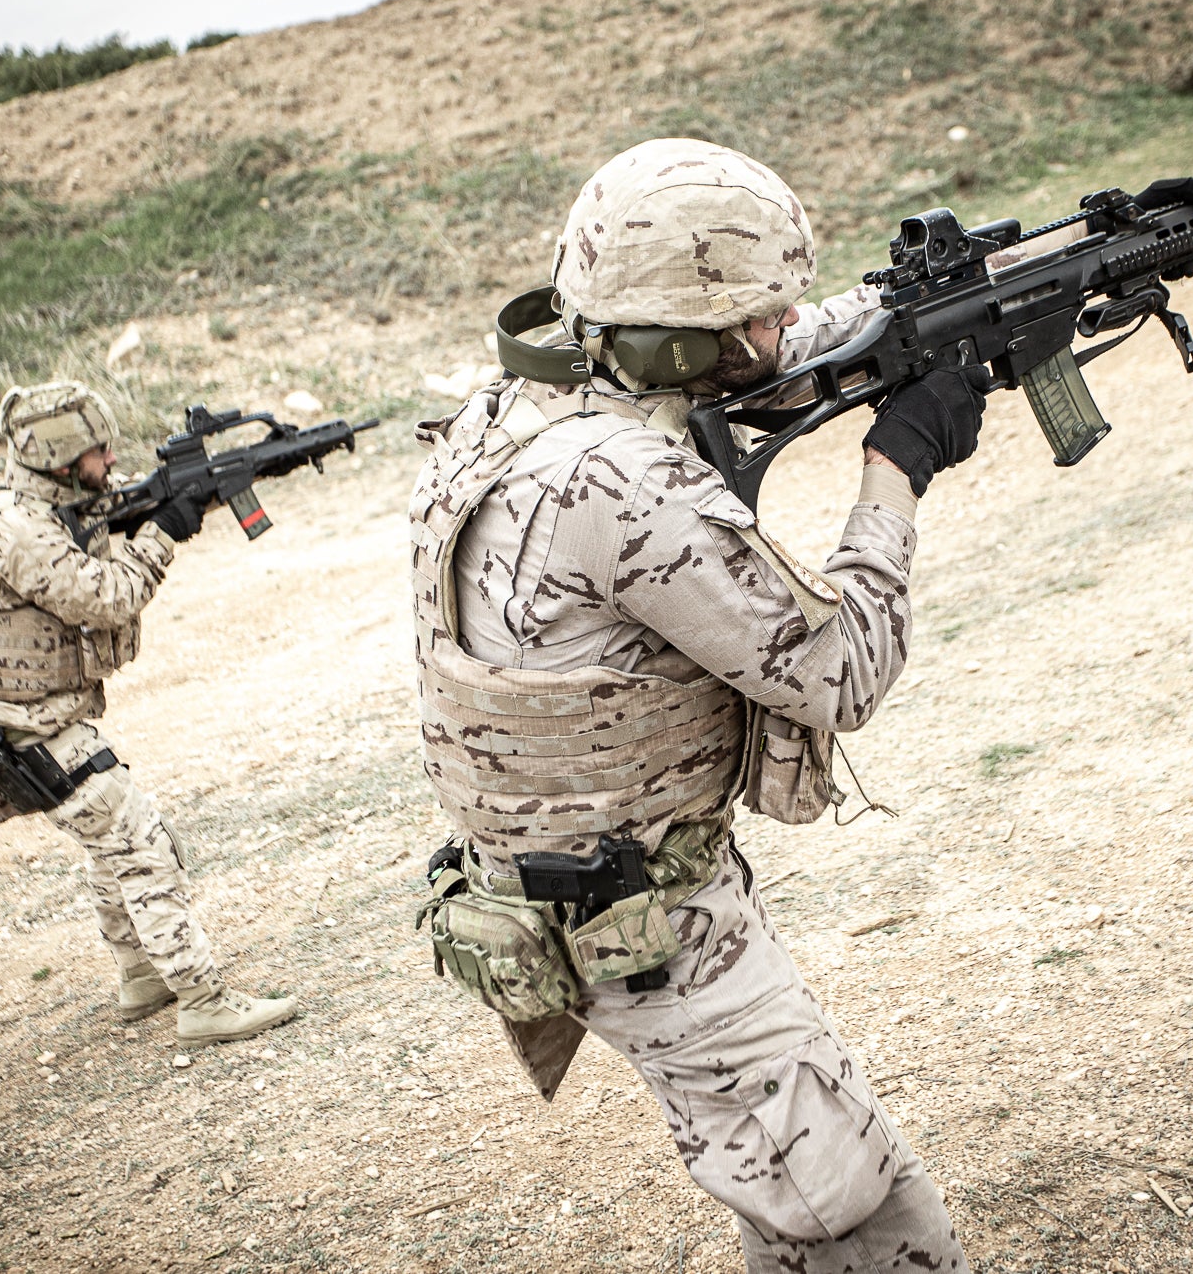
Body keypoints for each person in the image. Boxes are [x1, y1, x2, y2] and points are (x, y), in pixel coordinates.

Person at [410, 140, 983, 1272]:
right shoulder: (624, 485)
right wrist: (896, 462)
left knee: (790, 1209)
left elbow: (770, 358)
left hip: (589, 892)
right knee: (864, 1221)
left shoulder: (516, 405)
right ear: (677, 339)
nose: (779, 332)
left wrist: (912, 311)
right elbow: (843, 669)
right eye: (758, 316)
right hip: (647, 928)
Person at [0, 381, 298, 1049]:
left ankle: (140, 976)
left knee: (111, 847)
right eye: (96, 451)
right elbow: (107, 598)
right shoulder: (17, 532)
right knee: (142, 840)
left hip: (37, 724)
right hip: (31, 735)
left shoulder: (48, 503)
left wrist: (195, 489)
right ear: (57, 458)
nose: (109, 458)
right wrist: (163, 534)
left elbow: (122, 499)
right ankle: (203, 999)